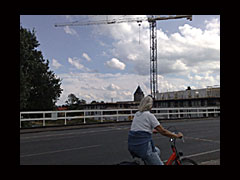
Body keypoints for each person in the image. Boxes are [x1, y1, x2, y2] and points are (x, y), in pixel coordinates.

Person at [128, 95, 183, 165]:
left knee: (157, 151)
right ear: (150, 105)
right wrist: (176, 136)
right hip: (144, 148)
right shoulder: (149, 116)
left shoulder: (137, 114)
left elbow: (139, 129)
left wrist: (152, 130)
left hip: (133, 147)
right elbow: (163, 131)